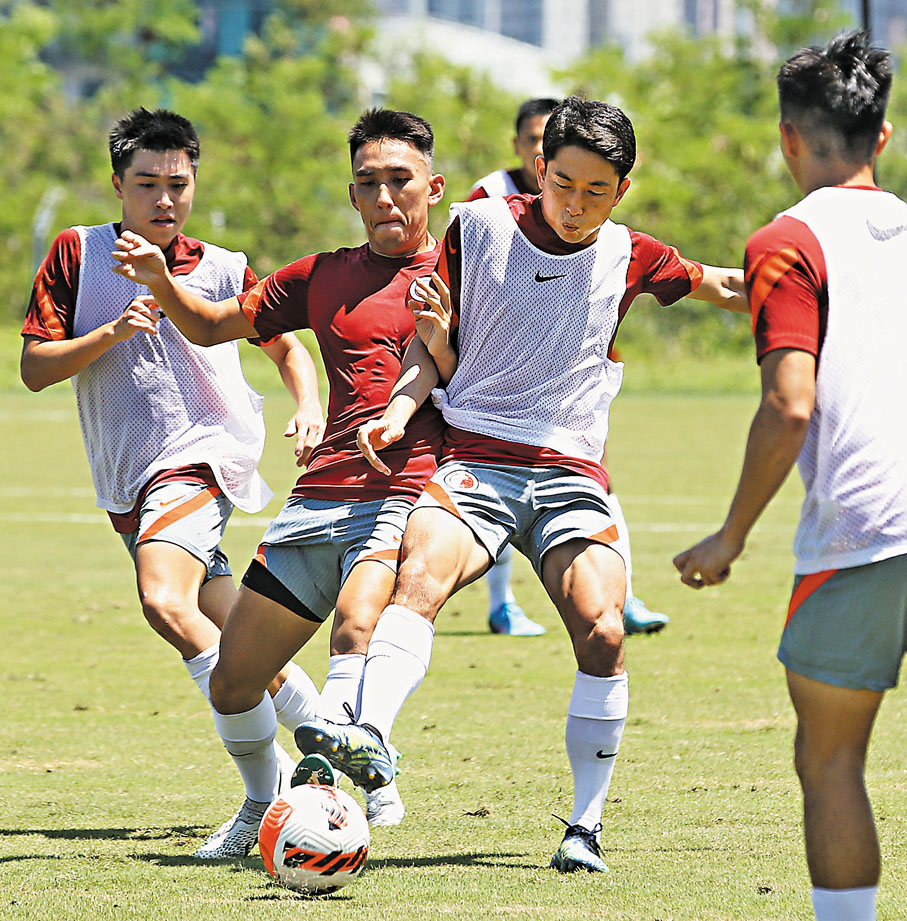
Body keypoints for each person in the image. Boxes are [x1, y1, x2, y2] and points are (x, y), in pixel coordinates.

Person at [294, 96, 747, 873]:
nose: (574, 206)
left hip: (569, 471)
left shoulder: (633, 254)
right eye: (562, 184)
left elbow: (731, 287)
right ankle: (369, 737)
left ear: (622, 191)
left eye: (595, 193)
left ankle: (583, 826)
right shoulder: (477, 226)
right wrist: (399, 411)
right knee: (420, 575)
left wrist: (827, 292)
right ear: (540, 168)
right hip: (475, 456)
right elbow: (432, 345)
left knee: (603, 629)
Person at [110, 108, 450, 846]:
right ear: (352, 194)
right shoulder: (323, 275)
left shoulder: (470, 271)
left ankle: (343, 777)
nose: (386, 197)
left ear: (435, 186)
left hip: (405, 485)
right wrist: (161, 281)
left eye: (401, 180)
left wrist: (445, 346)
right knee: (235, 678)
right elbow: (206, 324)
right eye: (369, 183)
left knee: (358, 624)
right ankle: (261, 808)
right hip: (319, 496)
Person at [19, 107, 326, 858]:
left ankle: (269, 792)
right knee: (237, 637)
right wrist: (109, 335)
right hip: (126, 475)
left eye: (178, 184)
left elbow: (286, 348)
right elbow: (33, 369)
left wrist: (309, 404)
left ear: (194, 182)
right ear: (117, 185)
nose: (164, 198)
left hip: (201, 456)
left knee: (164, 599)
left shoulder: (223, 266)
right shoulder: (77, 254)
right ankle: (346, 752)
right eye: (147, 183)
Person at [673, 32, 906, 921]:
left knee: (832, 761)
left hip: (864, 533)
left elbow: (789, 404)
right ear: (880, 139)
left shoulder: (789, 239)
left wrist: (730, 534)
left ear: (786, 138)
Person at [469, 96, 669, 636]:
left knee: (595, 472)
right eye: (534, 142)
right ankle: (500, 602)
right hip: (497, 388)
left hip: (572, 374)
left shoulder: (609, 232)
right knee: (489, 495)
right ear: (529, 155)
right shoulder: (489, 202)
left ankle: (619, 594)